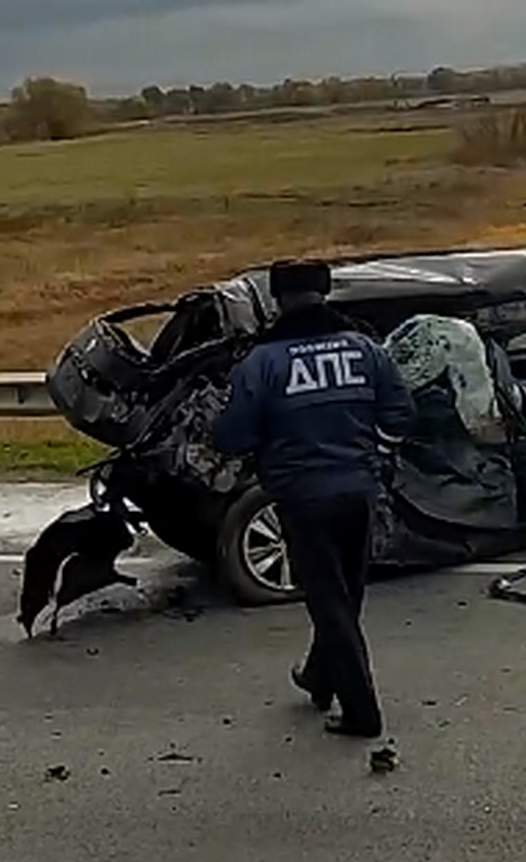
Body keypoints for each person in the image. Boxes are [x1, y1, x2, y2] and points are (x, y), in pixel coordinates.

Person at [213, 259, 414, 738]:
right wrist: (375, 453)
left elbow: (233, 435)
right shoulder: (365, 350)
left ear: (277, 300)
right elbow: (401, 411)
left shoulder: (263, 363)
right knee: (347, 596)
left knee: (329, 603)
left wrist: (253, 442)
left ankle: (362, 712)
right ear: (326, 292)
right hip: (359, 491)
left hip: (303, 497)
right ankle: (320, 678)